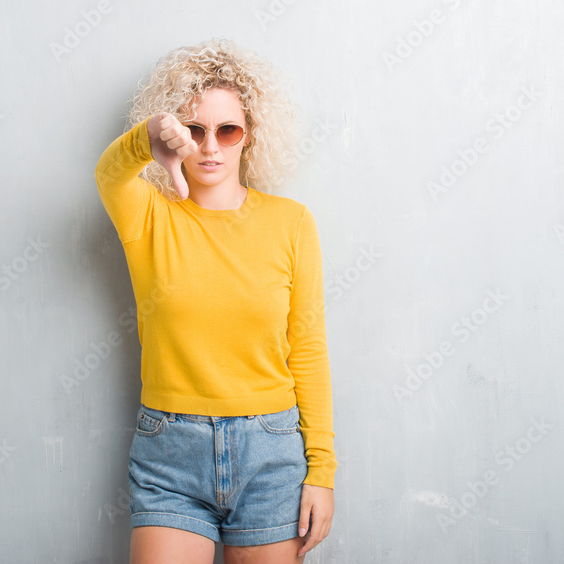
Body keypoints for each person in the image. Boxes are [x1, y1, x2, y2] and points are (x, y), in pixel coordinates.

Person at [94, 38, 336, 563]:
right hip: (170, 453)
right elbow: (108, 174)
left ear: (250, 135)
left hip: (271, 450)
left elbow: (308, 349)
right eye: (194, 130)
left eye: (227, 130)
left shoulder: (291, 223)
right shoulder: (149, 216)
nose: (210, 147)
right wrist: (148, 139)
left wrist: (322, 470)